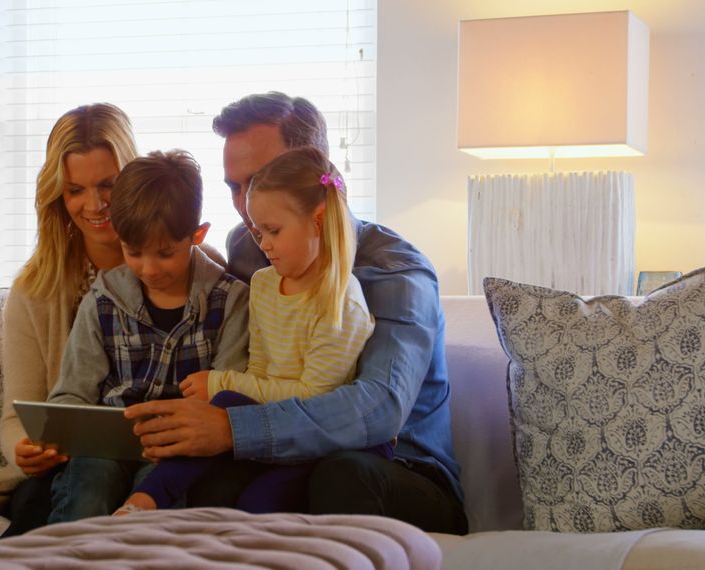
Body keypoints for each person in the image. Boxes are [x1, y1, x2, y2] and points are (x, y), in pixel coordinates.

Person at [123, 92, 468, 533]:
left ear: (312, 170)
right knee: (216, 477)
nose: (246, 205)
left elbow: (380, 408)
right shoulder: (249, 248)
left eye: (260, 179)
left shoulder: (396, 270)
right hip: (289, 454)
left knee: (342, 474)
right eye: (233, 186)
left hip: (400, 469)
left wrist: (235, 429)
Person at [116, 148, 387, 515]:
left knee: (252, 482)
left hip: (321, 440)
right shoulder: (262, 284)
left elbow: (313, 399)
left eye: (274, 231)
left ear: (319, 221)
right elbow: (257, 370)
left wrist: (220, 382)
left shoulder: (339, 303)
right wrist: (227, 392)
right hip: (267, 424)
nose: (264, 245)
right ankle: (143, 502)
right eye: (259, 232)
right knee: (219, 413)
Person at [47, 150, 250, 523]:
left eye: (165, 253)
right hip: (104, 449)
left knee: (157, 509)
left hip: (178, 452)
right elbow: (72, 392)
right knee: (86, 493)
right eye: (134, 252)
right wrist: (58, 432)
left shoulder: (230, 300)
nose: (149, 268)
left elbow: (228, 394)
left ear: (198, 235)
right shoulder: (103, 298)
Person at [0, 103, 139, 536]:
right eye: (75, 189)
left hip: (161, 464)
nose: (94, 205)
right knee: (43, 501)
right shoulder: (34, 290)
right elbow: (14, 417)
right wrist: (24, 448)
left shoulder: (191, 267)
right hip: (68, 469)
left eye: (109, 184)